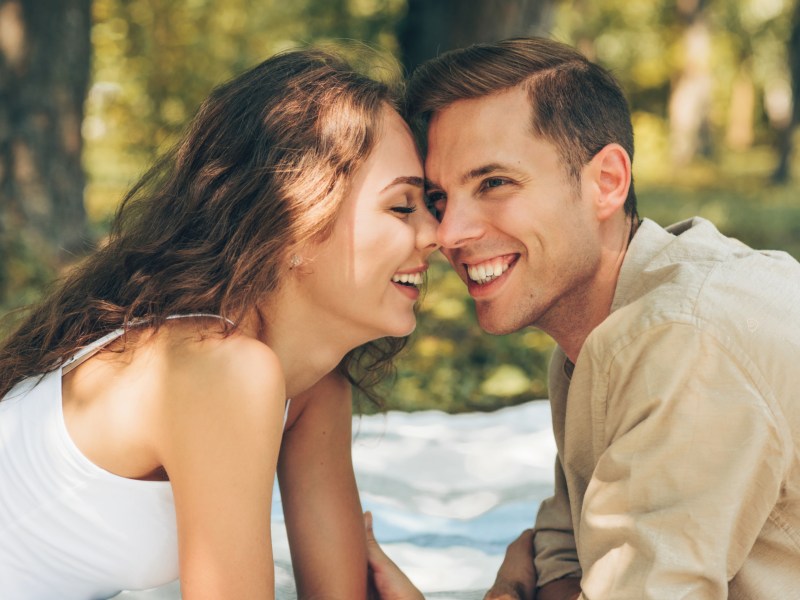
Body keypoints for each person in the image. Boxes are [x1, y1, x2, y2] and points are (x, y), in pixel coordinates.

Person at [368, 36, 800, 599]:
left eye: (494, 183)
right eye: (441, 198)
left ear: (607, 182)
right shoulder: (594, 341)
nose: (448, 234)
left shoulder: (681, 341)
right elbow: (564, 552)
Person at [0, 47, 439, 600]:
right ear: (297, 223)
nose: (436, 235)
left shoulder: (311, 388)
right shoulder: (216, 367)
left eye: (430, 206)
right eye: (402, 207)